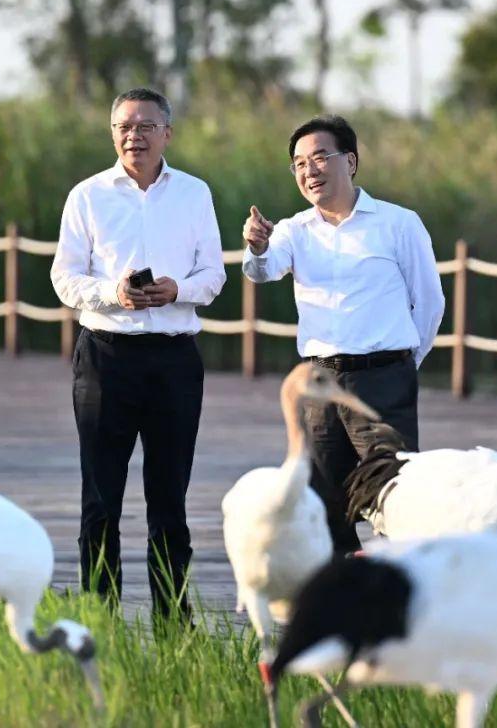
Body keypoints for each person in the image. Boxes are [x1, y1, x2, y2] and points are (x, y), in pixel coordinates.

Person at [50, 87, 226, 618]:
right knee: (100, 499)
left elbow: (214, 275)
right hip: (105, 357)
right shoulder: (87, 195)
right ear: (112, 134)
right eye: (124, 126)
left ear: (168, 133)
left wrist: (178, 290)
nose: (135, 135)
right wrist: (113, 293)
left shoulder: (195, 193)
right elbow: (65, 276)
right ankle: (99, 624)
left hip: (174, 360)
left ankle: (174, 622)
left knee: (169, 500)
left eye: (147, 126)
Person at [241, 114, 445, 553]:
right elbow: (262, 271)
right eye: (298, 163)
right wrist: (257, 246)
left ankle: (392, 605)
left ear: (350, 161)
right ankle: (340, 597)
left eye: (320, 158)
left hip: (383, 379)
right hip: (319, 385)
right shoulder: (295, 230)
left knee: (394, 498)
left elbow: (429, 303)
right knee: (321, 500)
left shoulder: (398, 223)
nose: (309, 170)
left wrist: (405, 364)